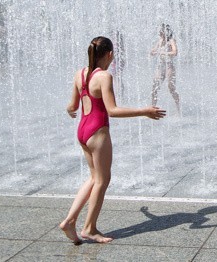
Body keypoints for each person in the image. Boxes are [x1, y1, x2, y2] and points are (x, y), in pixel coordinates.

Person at [60, 36, 166, 245]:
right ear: (109, 55)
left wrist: (70, 110)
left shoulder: (79, 74)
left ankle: (69, 221)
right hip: (97, 132)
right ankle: (89, 228)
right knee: (102, 180)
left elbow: (72, 106)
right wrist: (144, 111)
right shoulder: (104, 77)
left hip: (82, 130)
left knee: (92, 178)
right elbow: (113, 110)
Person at [150, 24, 181, 115]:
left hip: (169, 66)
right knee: (154, 87)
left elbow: (175, 52)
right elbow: (154, 50)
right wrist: (153, 52)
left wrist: (164, 52)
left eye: (161, 31)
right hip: (160, 66)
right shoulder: (160, 40)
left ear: (165, 32)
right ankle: (152, 109)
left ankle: (178, 109)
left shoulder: (171, 40)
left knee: (171, 88)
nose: (159, 32)